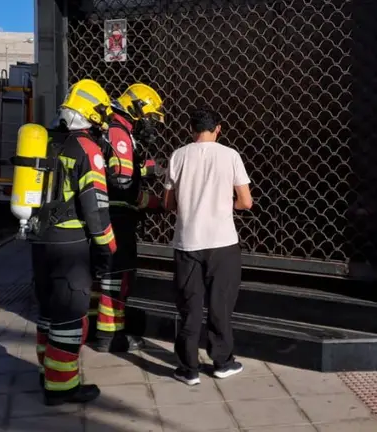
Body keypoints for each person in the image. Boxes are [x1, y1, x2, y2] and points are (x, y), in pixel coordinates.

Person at [30, 79, 117, 405]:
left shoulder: (48, 142)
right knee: (70, 315)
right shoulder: (87, 151)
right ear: (92, 114)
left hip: (40, 241)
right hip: (70, 244)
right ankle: (62, 387)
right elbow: (95, 207)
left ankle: (47, 372)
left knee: (49, 311)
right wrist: (107, 247)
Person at [162, 107, 253, 386]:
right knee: (220, 305)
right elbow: (246, 202)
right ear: (218, 129)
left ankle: (188, 369)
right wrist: (227, 205)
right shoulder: (230, 156)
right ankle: (222, 362)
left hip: (188, 243)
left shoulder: (178, 155)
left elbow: (167, 203)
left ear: (191, 129)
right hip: (223, 243)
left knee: (189, 307)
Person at [89, 83, 165, 352]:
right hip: (118, 216)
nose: (151, 124)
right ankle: (111, 336)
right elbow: (122, 181)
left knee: (102, 275)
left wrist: (148, 169)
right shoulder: (120, 133)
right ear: (138, 109)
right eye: (150, 117)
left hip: (104, 213)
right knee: (118, 277)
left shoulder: (113, 128)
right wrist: (157, 202)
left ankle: (94, 328)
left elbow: (118, 168)